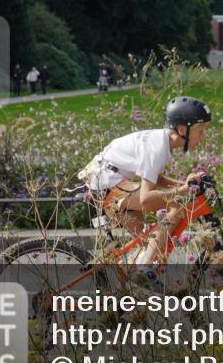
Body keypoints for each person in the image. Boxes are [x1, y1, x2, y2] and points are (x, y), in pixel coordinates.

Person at [79, 96, 211, 266]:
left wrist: (185, 184)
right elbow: (146, 198)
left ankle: (134, 279)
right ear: (182, 130)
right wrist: (183, 189)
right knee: (176, 207)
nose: (203, 135)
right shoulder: (156, 148)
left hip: (108, 182)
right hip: (104, 185)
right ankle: (143, 269)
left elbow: (157, 178)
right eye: (200, 130)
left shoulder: (161, 142)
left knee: (146, 244)